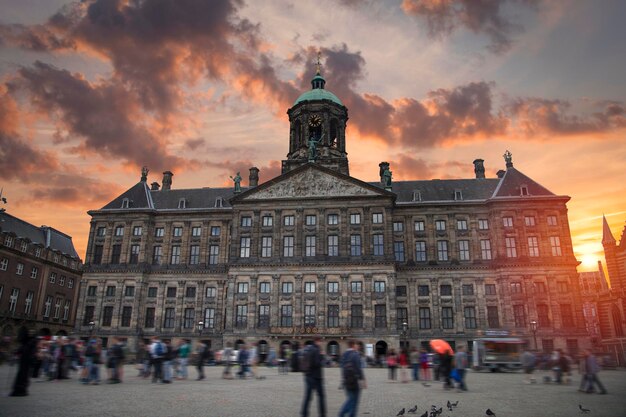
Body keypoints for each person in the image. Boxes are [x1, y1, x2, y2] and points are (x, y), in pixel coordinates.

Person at [338, 340, 366, 417]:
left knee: (351, 399)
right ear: (353, 345)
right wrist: (363, 380)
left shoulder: (344, 354)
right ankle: (342, 413)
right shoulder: (355, 354)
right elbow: (358, 369)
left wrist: (343, 379)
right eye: (357, 345)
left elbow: (342, 368)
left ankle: (349, 414)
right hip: (354, 381)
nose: (358, 346)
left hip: (346, 381)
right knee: (353, 400)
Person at [300, 336, 326, 417]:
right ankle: (322, 414)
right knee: (321, 396)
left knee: (308, 397)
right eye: (321, 341)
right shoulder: (316, 350)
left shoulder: (308, 349)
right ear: (317, 341)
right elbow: (317, 363)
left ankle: (304, 413)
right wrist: (322, 356)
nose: (321, 343)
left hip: (308, 375)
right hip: (316, 377)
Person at [10, 326, 37, 396]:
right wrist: (16, 352)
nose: (31, 333)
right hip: (23, 361)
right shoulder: (27, 341)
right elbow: (22, 348)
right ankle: (19, 389)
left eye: (32, 332)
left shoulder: (32, 341)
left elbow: (31, 352)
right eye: (30, 332)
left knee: (23, 376)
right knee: (21, 375)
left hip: (27, 361)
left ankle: (22, 390)